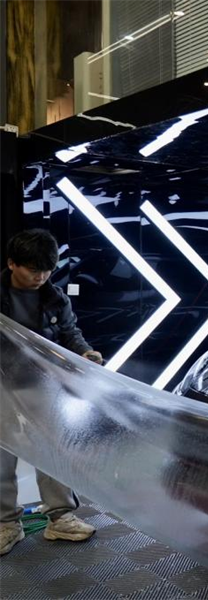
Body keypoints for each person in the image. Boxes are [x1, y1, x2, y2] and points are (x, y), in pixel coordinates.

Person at [0, 229, 102, 556]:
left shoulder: (55, 297)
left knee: (53, 453)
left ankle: (61, 518)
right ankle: (6, 524)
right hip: (2, 385)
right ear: (12, 263)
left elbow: (70, 332)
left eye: (47, 270)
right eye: (33, 270)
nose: (41, 277)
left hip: (43, 385)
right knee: (1, 459)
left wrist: (85, 353)